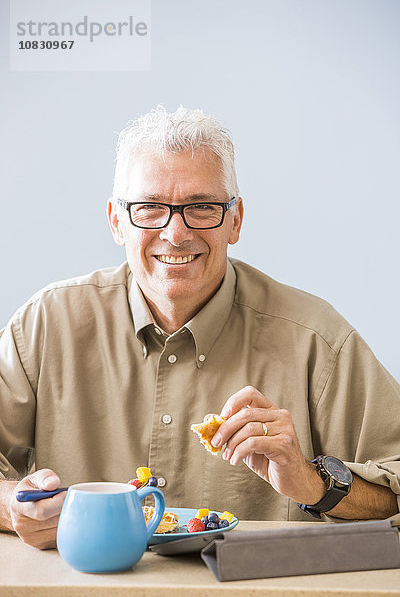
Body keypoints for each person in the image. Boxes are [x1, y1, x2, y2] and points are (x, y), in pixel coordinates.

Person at [0, 106, 399, 551]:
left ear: (235, 220)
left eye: (202, 207)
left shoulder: (318, 342)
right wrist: (13, 506)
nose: (175, 233)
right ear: (116, 220)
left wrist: (311, 483)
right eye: (150, 208)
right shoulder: (44, 326)